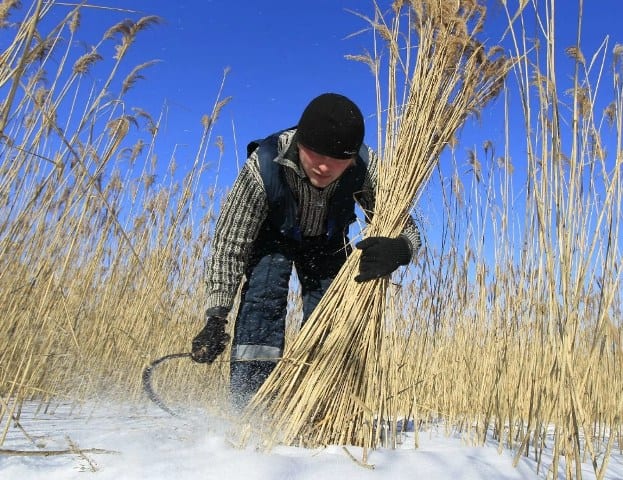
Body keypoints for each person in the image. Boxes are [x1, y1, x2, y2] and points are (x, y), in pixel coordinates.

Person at [190, 92, 421, 408]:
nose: (325, 167)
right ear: (300, 144)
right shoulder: (263, 165)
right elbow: (230, 245)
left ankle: (316, 406)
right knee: (264, 295)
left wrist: (401, 248)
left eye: (337, 158)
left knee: (330, 313)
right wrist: (216, 316)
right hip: (274, 239)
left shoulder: (367, 168)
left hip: (327, 242)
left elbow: (405, 224)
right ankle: (249, 405)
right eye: (315, 154)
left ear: (352, 157)